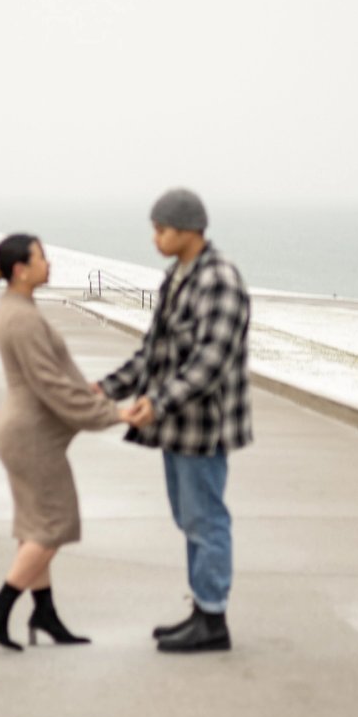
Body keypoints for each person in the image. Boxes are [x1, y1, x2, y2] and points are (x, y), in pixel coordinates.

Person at [96, 189, 251, 653]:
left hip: (203, 426)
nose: (154, 238)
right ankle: (202, 609)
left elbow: (212, 358)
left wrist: (158, 402)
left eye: (161, 229)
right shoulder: (176, 277)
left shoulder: (219, 279)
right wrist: (107, 388)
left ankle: (213, 618)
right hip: (175, 426)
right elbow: (153, 352)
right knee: (189, 518)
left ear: (188, 230)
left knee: (206, 518)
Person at [0, 233, 132, 651]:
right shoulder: (21, 318)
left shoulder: (18, 308)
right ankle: (0, 604)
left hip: (24, 432)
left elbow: (58, 379)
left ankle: (44, 614)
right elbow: (50, 386)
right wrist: (112, 414)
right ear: (22, 270)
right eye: (42, 257)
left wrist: (92, 392)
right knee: (53, 527)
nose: (50, 263)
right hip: (31, 438)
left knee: (34, 527)